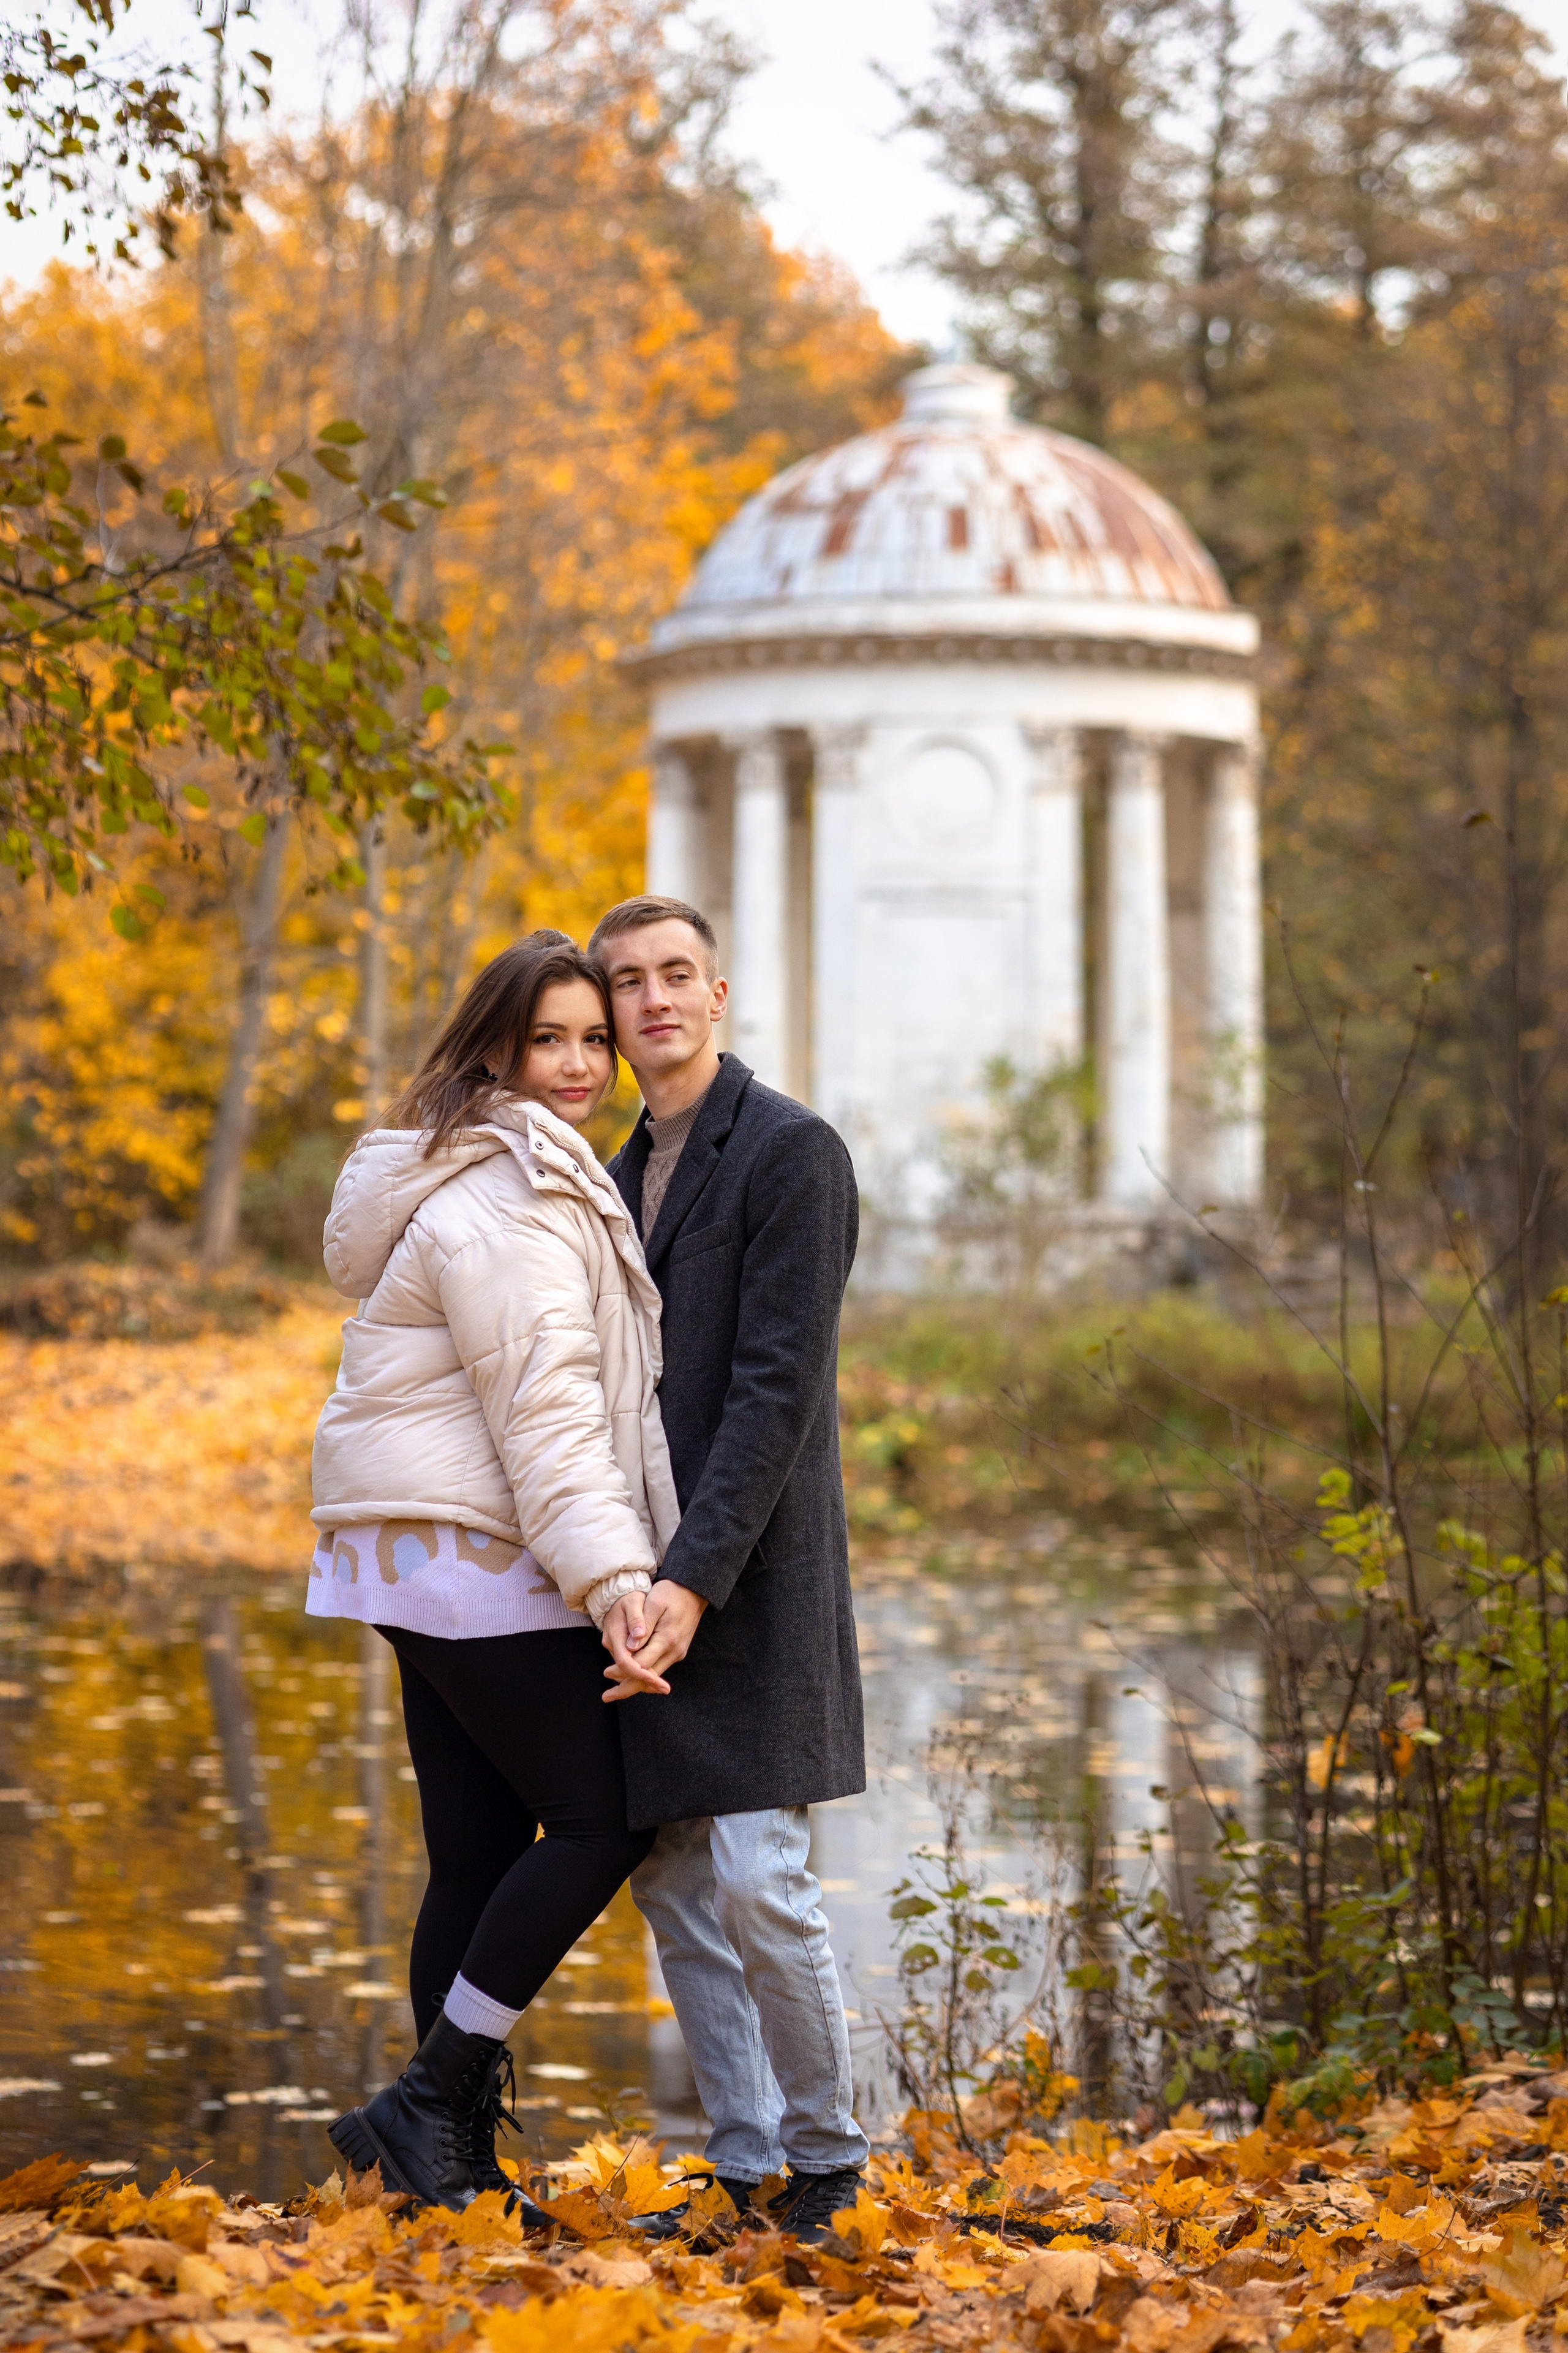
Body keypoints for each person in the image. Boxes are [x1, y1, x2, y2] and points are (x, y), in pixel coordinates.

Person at [309, 931, 679, 2213]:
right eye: (550, 1040)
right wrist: (616, 1580)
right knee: (601, 1819)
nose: (582, 1062)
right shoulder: (511, 1195)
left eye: (594, 1036)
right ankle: (431, 2101)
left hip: (415, 1546)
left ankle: (442, 2169)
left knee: (472, 1850)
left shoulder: (474, 1161)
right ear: (495, 1047)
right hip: (474, 1547)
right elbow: (547, 1414)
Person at [587, 892, 870, 2243]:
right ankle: (745, 2158)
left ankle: (828, 2159)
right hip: (642, 1581)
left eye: (675, 973)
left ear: (718, 995)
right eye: (627, 980)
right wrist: (621, 1579)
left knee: (762, 1876)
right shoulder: (613, 1168)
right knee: (673, 1880)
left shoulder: (791, 1153)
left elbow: (774, 1392)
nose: (653, 998)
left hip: (752, 1578)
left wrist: (692, 1583)